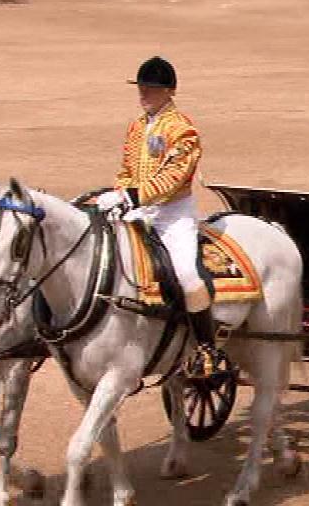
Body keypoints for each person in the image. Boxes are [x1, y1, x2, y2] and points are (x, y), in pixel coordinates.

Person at [95, 56, 222, 376]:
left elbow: (173, 177)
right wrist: (120, 193)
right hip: (138, 209)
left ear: (169, 91)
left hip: (173, 214)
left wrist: (130, 196)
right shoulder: (138, 126)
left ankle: (207, 349)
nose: (144, 93)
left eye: (151, 88)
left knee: (186, 275)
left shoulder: (183, 130)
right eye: (142, 87)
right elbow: (127, 169)